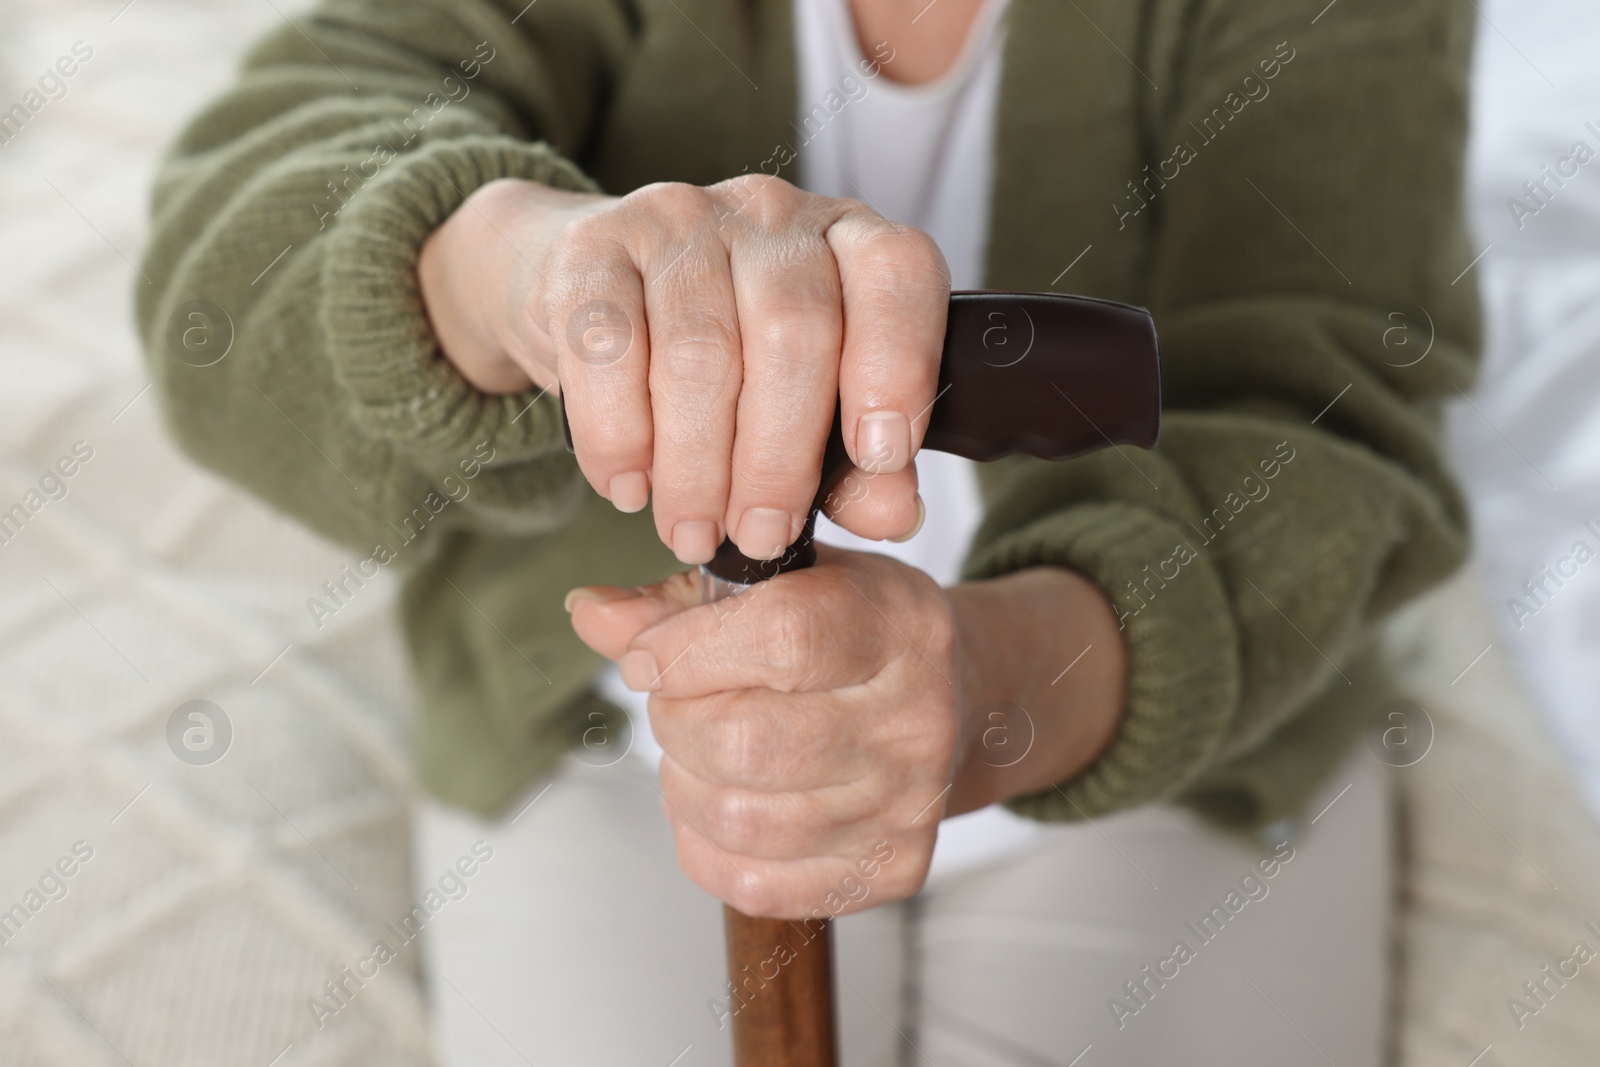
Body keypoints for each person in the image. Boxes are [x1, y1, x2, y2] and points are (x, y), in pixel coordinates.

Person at [137, 0, 1479, 1062]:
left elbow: (1336, 406)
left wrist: (994, 688)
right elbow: (239, 255)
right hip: (628, 739)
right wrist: (531, 275)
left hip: (1170, 717)